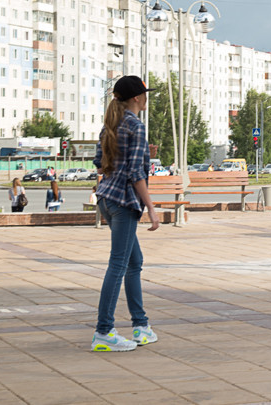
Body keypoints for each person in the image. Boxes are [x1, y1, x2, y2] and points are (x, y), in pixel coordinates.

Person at [91, 75, 161, 352]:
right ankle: (104, 331)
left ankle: (141, 325)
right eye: (145, 94)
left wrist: (143, 152)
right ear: (136, 98)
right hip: (124, 202)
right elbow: (135, 174)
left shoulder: (111, 124)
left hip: (107, 198)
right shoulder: (136, 126)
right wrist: (152, 209)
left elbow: (100, 164)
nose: (146, 98)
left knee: (134, 262)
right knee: (119, 265)